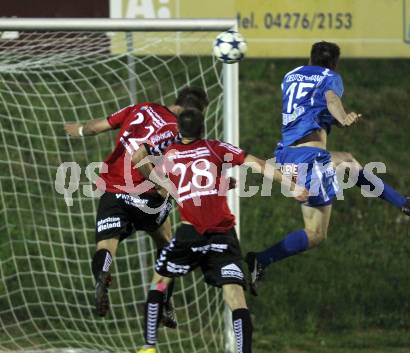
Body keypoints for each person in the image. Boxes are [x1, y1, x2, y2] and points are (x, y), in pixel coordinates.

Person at [246, 41, 410, 295]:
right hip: (309, 159)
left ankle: (260, 260)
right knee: (345, 168)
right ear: (335, 63)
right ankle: (403, 203)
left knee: (318, 227)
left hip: (286, 153)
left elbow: (309, 107)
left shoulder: (290, 76)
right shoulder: (331, 77)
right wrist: (342, 117)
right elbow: (330, 99)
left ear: (310, 58)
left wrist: (331, 119)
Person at [136, 108, 308, 353]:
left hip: (189, 234)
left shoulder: (169, 155)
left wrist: (164, 187)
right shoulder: (216, 147)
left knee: (160, 283)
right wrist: (292, 187)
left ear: (179, 131)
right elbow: (257, 164)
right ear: (202, 129)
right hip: (222, 236)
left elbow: (176, 180)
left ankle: (148, 346)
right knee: (235, 298)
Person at [64, 87, 209, 326]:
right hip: (148, 195)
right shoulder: (179, 129)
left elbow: (94, 127)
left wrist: (78, 129)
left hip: (114, 191)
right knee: (166, 244)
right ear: (195, 112)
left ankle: (102, 274)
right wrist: (165, 185)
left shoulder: (140, 108)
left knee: (106, 245)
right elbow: (146, 159)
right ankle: (163, 301)